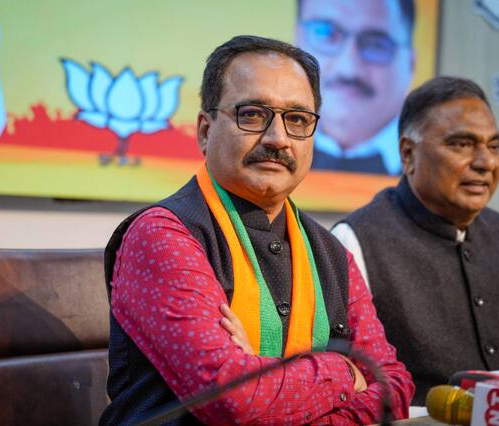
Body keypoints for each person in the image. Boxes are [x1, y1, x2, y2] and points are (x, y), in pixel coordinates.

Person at [100, 35, 414, 425]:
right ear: (205, 131)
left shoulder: (332, 255)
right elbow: (232, 399)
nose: (277, 138)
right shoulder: (163, 237)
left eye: (297, 119)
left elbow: (394, 388)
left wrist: (269, 383)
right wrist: (343, 370)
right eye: (251, 114)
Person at [332, 76, 499, 405]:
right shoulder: (354, 242)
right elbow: (350, 383)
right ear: (408, 153)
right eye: (462, 144)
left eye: (494, 146)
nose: (486, 163)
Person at [296, 0, 415, 175]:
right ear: (297, 42)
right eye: (326, 33)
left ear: (410, 64)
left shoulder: (432, 165)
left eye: (377, 44)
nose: (348, 68)